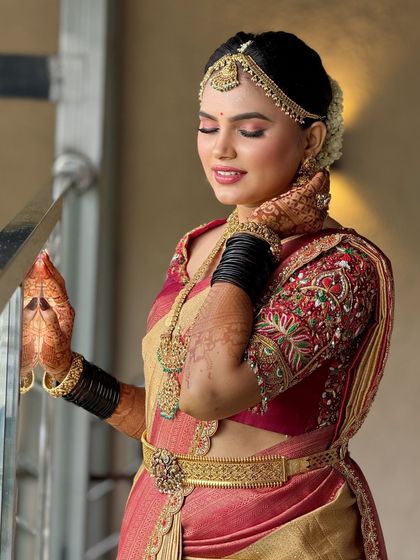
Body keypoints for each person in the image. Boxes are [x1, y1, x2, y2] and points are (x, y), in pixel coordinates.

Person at [22, 31, 394, 559]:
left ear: (311, 140)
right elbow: (176, 429)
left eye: (250, 129)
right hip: (158, 527)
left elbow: (209, 391)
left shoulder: (340, 267)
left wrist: (251, 234)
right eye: (207, 126)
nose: (221, 148)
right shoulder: (198, 245)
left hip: (282, 534)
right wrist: (67, 372)